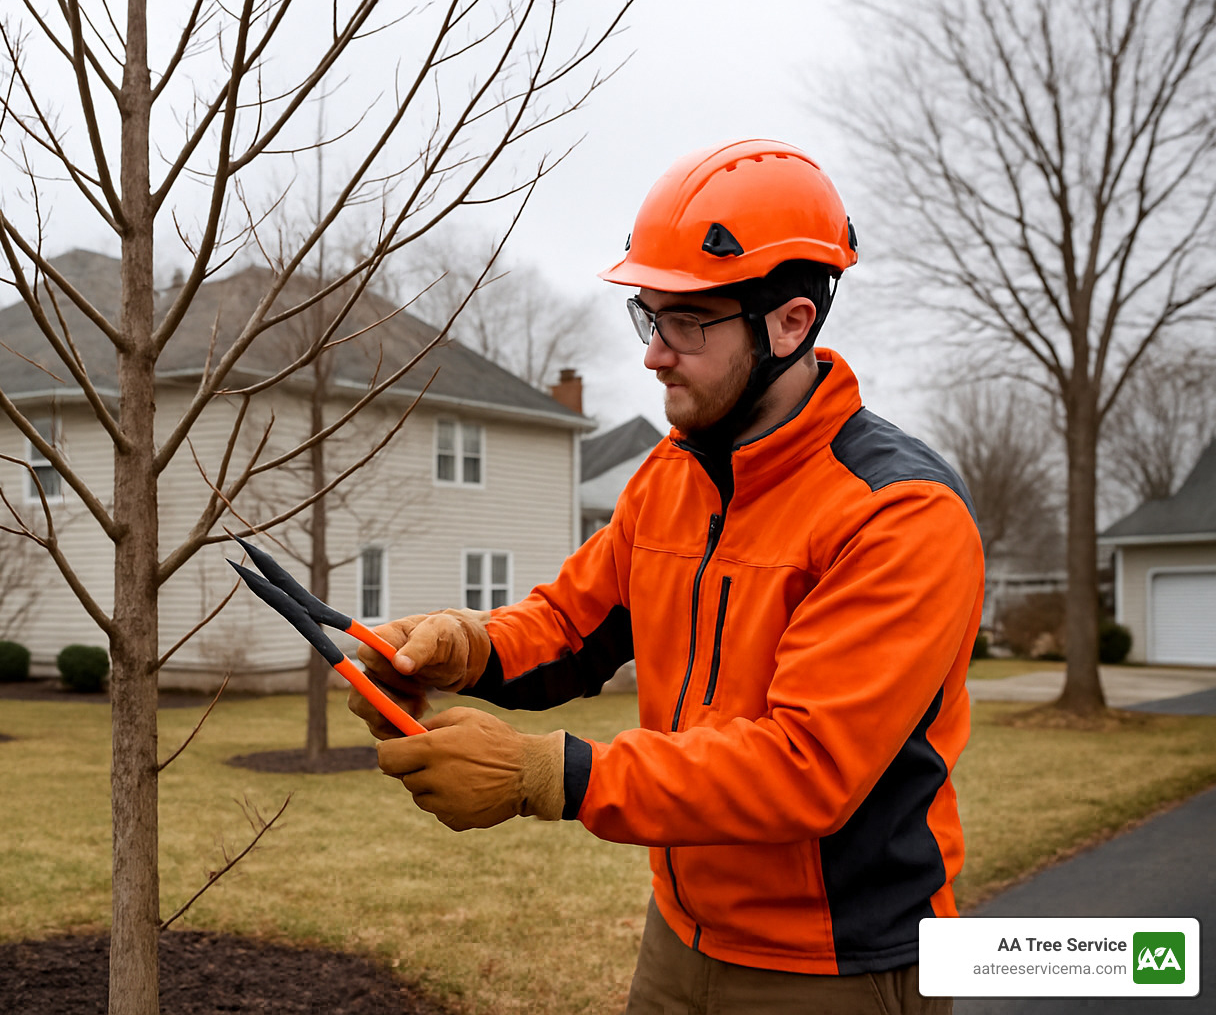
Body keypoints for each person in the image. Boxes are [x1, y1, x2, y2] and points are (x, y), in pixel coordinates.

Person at [349, 139, 983, 1014]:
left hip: (841, 967)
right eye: (650, 317)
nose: (655, 354)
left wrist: (551, 776)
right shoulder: (673, 474)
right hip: (680, 939)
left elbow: (806, 768)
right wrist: (457, 647)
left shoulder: (898, 511)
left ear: (791, 323)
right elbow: (571, 629)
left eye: (689, 323)